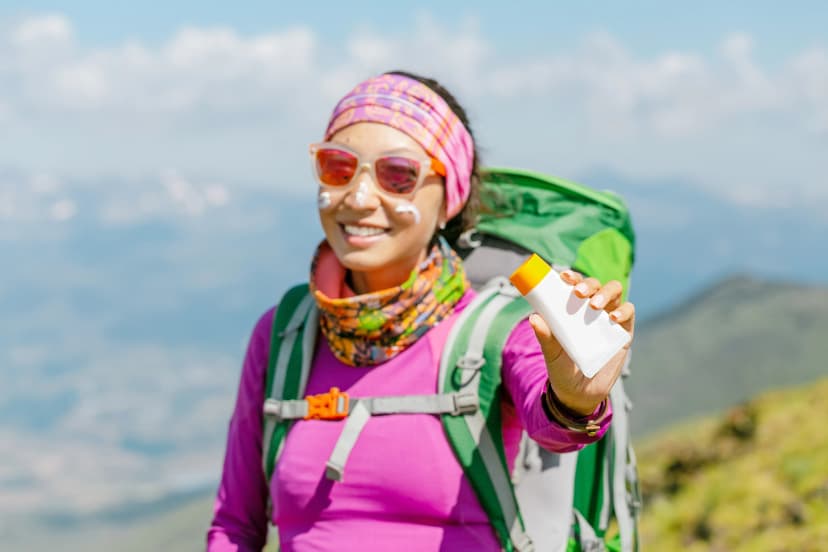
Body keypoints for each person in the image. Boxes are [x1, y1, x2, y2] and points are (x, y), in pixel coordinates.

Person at [207, 71, 635, 551]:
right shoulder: (284, 335)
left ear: (450, 197)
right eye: (338, 167)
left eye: (398, 175)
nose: (358, 198)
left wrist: (574, 400)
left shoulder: (498, 329)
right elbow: (234, 527)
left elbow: (554, 426)